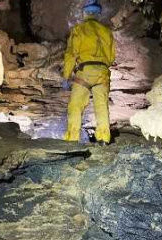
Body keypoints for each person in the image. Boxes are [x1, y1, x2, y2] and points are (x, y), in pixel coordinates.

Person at [62, 0, 116, 145]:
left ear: (85, 13)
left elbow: (71, 54)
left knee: (75, 105)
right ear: (98, 14)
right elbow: (111, 57)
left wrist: (66, 76)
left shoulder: (79, 29)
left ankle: (72, 139)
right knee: (101, 106)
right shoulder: (107, 31)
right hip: (103, 73)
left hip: (86, 71)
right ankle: (103, 139)